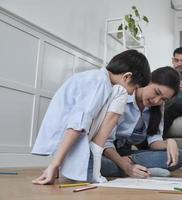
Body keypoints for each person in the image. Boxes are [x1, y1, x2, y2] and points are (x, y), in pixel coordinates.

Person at [31, 50, 151, 185]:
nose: (132, 93)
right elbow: (77, 126)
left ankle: (69, 163)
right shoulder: (98, 83)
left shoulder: (104, 82)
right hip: (64, 139)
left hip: (71, 141)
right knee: (87, 172)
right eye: (134, 88)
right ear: (127, 77)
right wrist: (54, 164)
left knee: (90, 170)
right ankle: (65, 163)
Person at [100, 66, 182, 178]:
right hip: (107, 152)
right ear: (148, 81)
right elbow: (105, 142)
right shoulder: (123, 95)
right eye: (156, 92)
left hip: (127, 154)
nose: (156, 101)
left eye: (163, 99)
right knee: (91, 163)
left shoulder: (158, 106)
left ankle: (133, 169)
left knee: (180, 156)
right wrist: (125, 166)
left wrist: (169, 142)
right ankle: (138, 170)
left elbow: (154, 140)